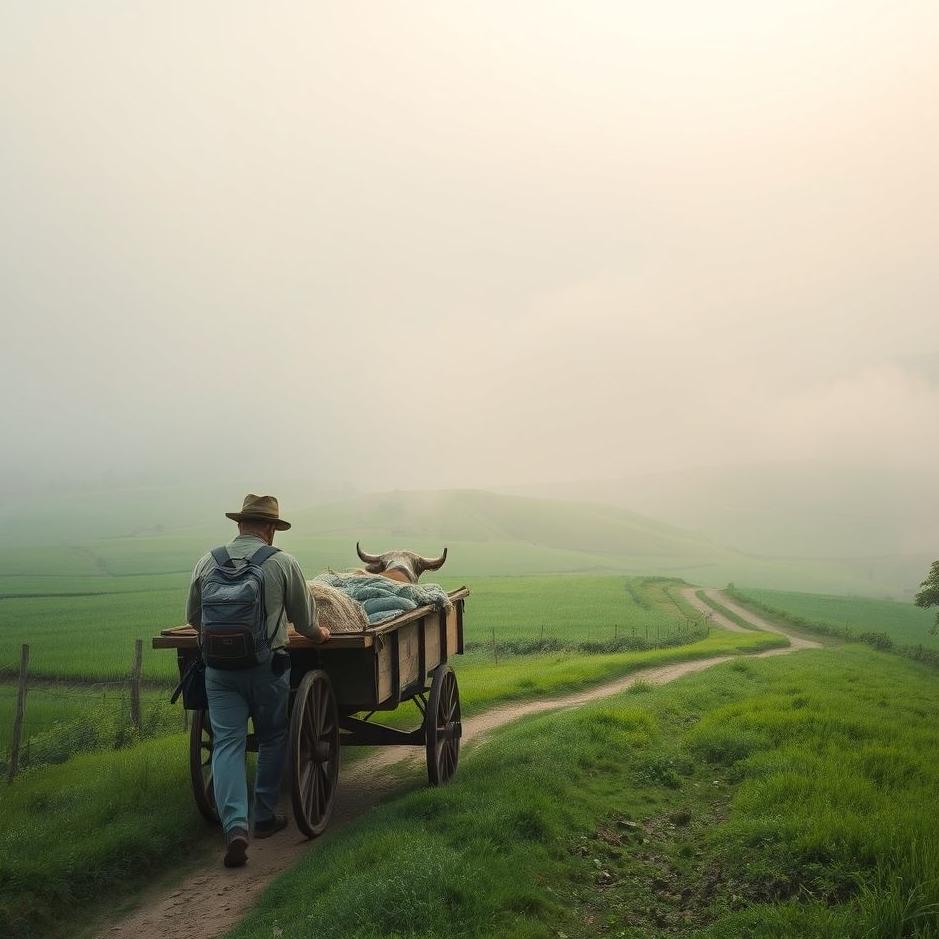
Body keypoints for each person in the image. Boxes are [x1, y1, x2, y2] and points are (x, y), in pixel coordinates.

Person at [186, 493, 330, 868]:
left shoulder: (207, 561)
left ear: (239, 525)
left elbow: (194, 618)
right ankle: (263, 815)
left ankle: (234, 826)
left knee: (228, 743)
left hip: (218, 673)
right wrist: (321, 635)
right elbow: (305, 623)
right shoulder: (282, 563)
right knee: (273, 736)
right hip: (267, 669)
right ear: (270, 529)